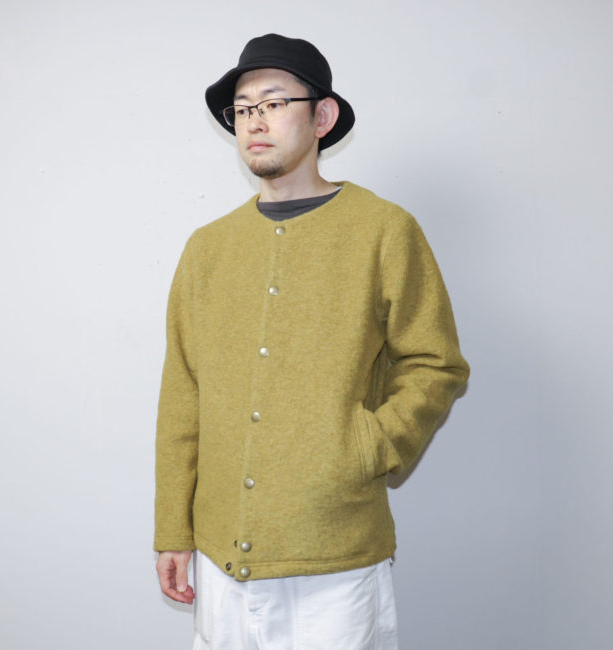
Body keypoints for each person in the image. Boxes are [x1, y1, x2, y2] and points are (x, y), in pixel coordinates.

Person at [154, 33, 470, 649]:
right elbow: (182, 393)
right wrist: (173, 528)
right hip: (221, 562)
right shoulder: (207, 249)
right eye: (242, 109)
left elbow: (436, 363)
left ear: (322, 117)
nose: (254, 121)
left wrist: (367, 446)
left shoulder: (384, 231)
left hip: (336, 560)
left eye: (274, 103)